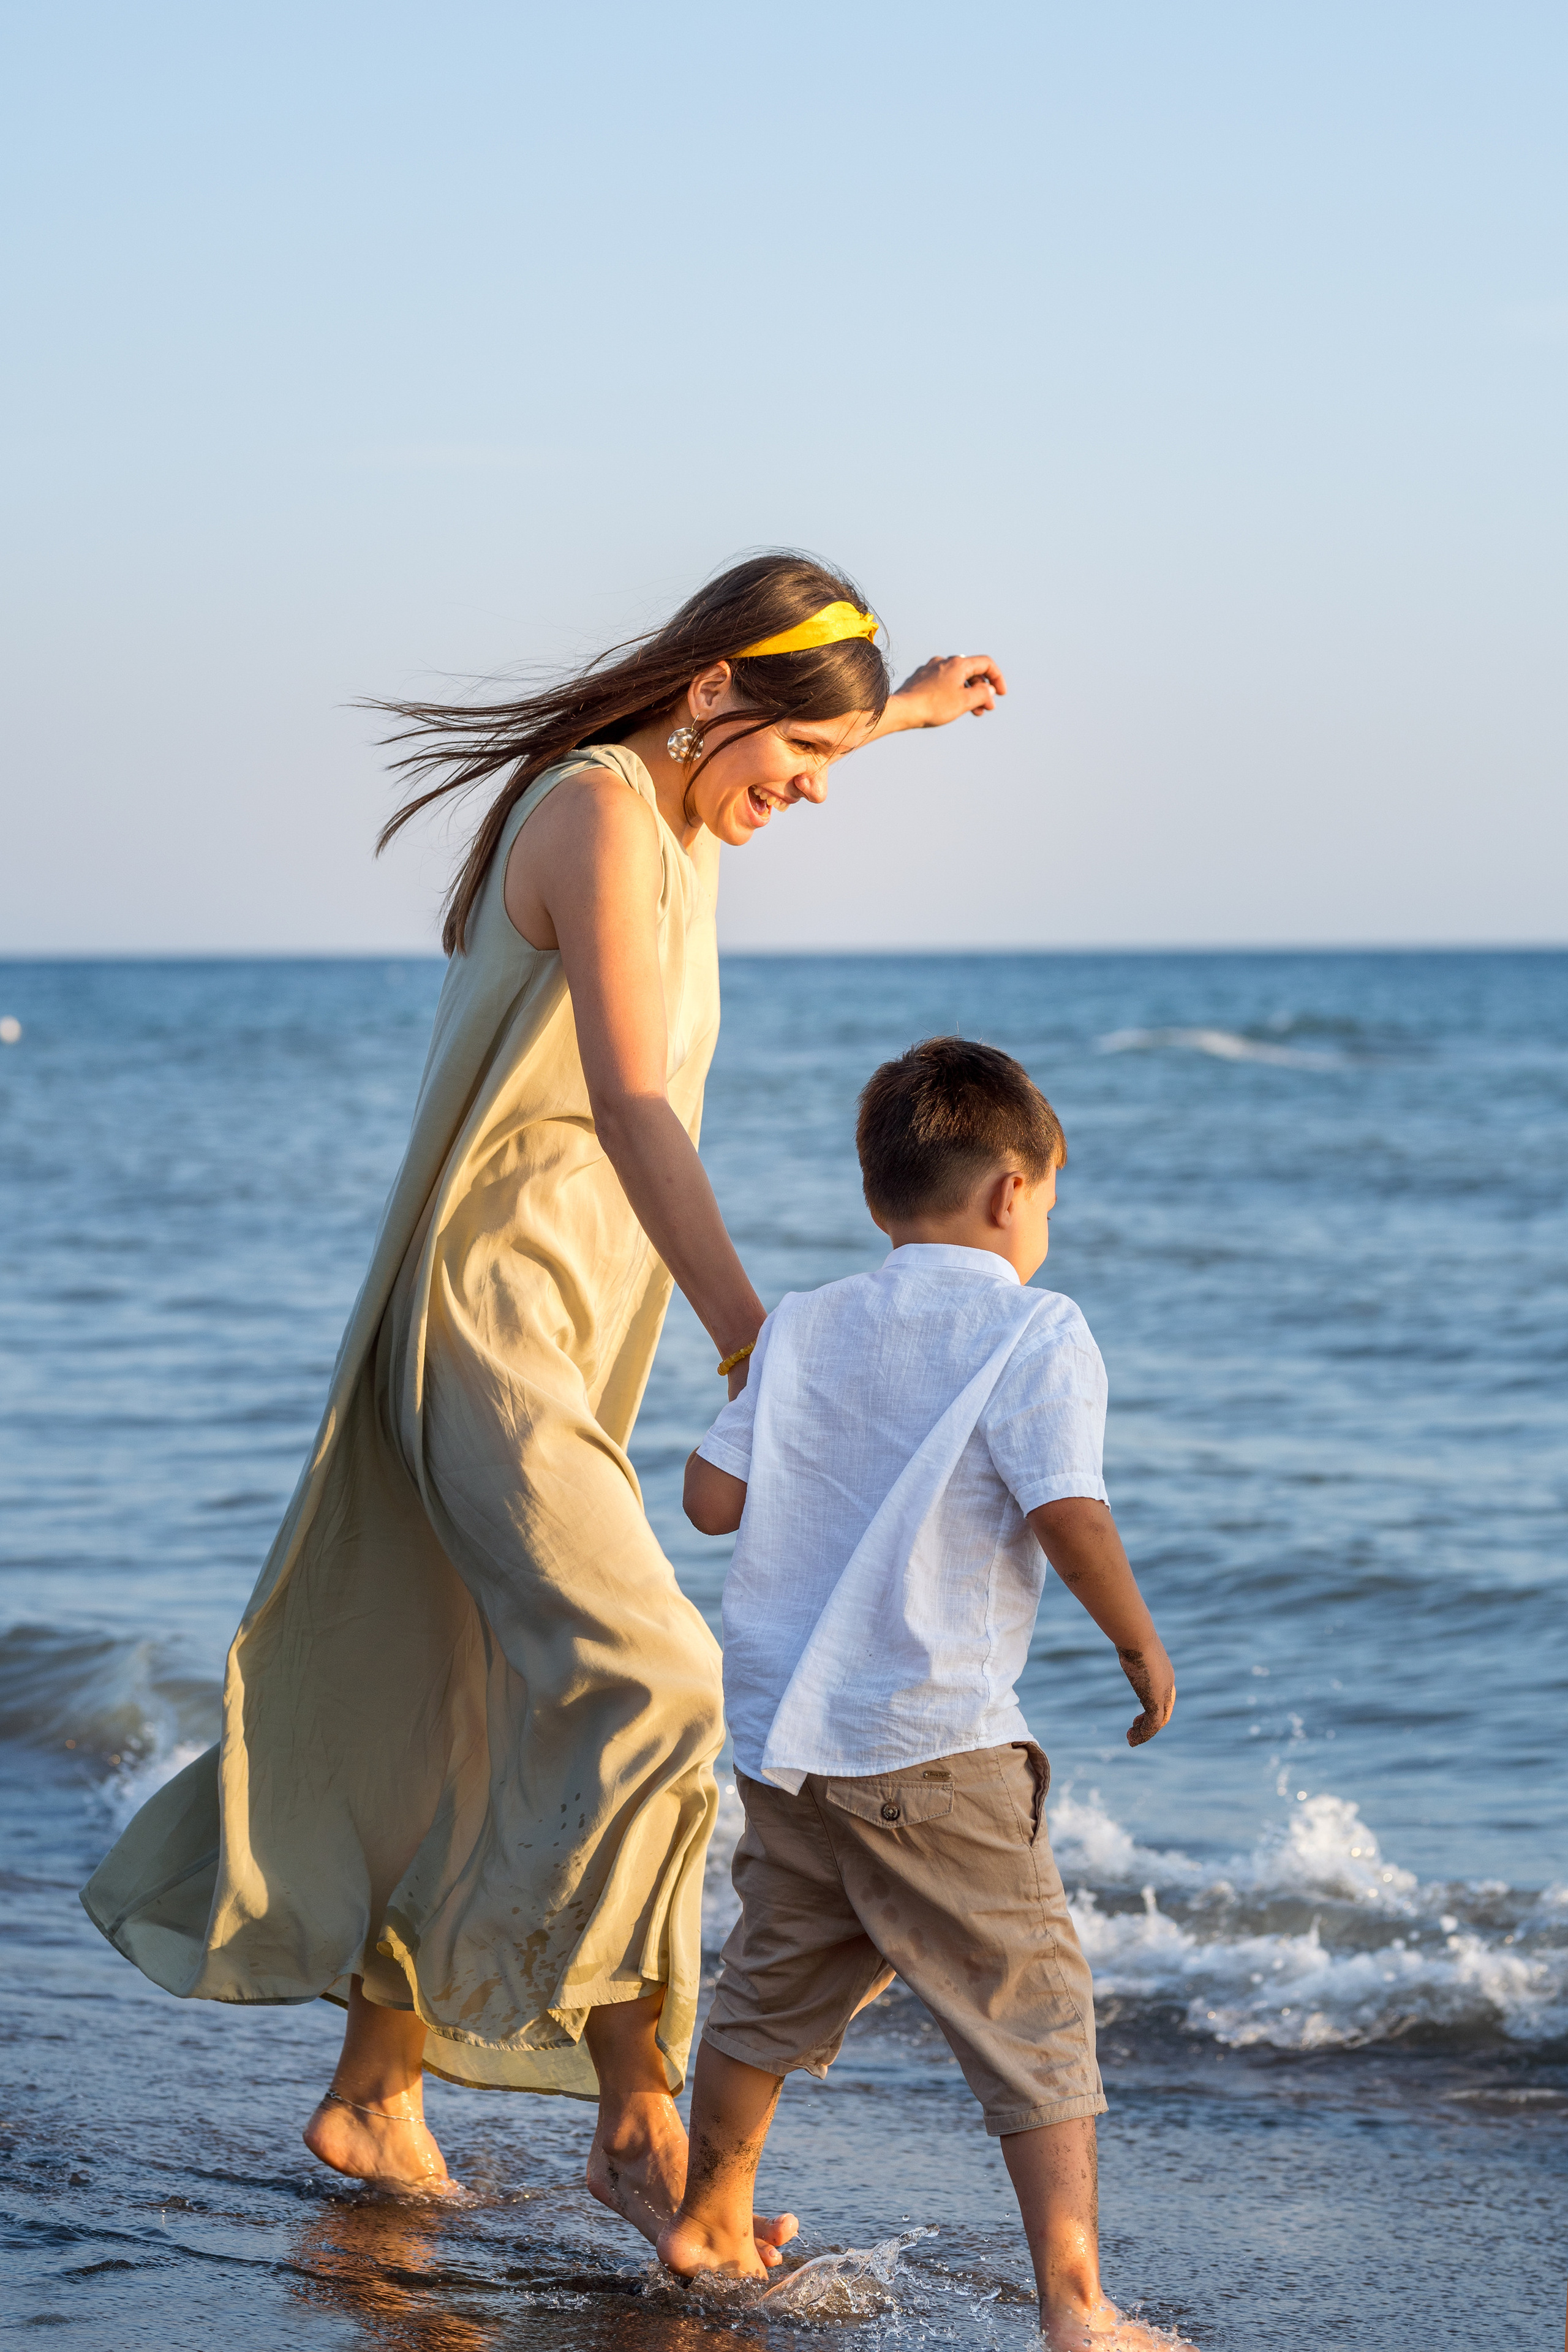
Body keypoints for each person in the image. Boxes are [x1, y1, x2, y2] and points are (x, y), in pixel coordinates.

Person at [80, 555, 1004, 2251]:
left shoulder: (682, 801)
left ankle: (378, 2091)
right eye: (806, 761)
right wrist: (755, 1341)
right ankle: (639, 2115)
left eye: (831, 766)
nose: (809, 796)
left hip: (571, 1329)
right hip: (491, 1319)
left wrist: (903, 718)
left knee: (485, 1701)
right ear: (713, 694)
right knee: (657, 1686)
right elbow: (638, 1110)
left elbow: (757, 741)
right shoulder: (595, 817)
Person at [659, 1038, 1189, 2351]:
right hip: (931, 1738)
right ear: (1014, 1190)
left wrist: (772, 1398)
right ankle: (1075, 2302)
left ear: (876, 1193)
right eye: (1050, 1197)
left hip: (787, 1748)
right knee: (1033, 2006)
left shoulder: (803, 1322)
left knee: (771, 1982)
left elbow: (710, 1502)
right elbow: (1067, 1509)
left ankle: (710, 2218)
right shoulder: (1035, 1328)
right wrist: (1136, 1642)